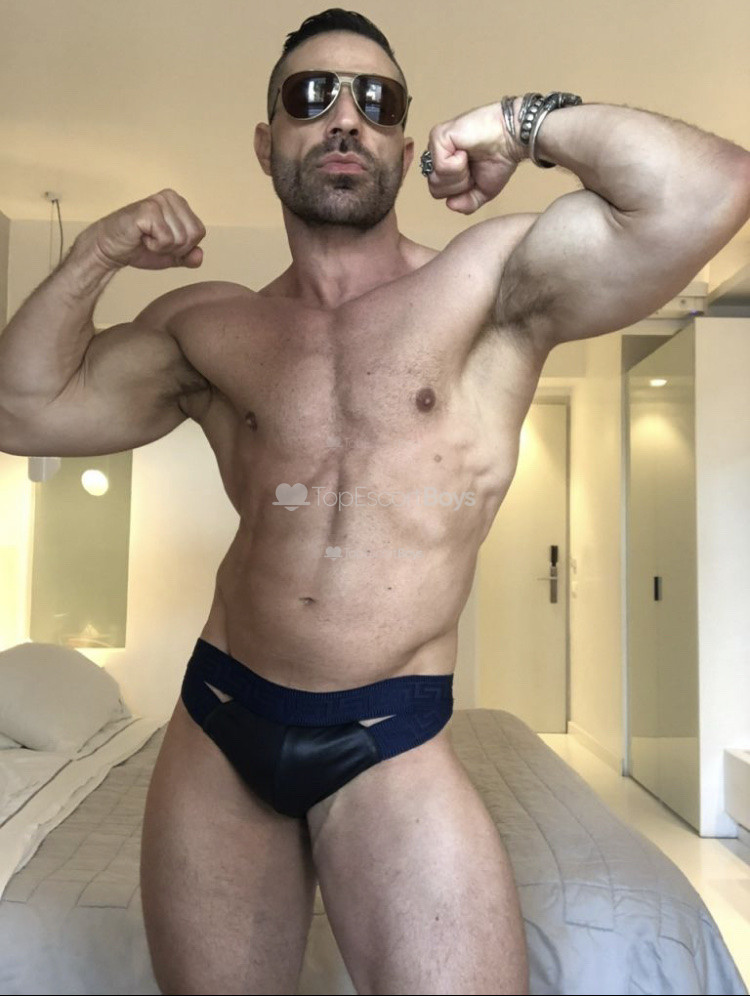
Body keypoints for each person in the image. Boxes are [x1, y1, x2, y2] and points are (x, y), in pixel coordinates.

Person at [1, 7, 748, 994]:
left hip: (390, 731)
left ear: (403, 142)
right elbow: (22, 408)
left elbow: (710, 189)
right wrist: (99, 249)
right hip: (222, 719)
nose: (346, 117)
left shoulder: (487, 285)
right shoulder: (209, 323)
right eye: (312, 95)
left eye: (378, 101)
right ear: (267, 142)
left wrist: (518, 123)